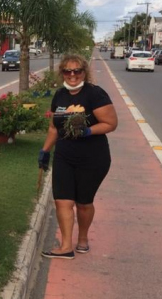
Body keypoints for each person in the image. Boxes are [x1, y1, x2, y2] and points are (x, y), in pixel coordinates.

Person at [39, 54, 118, 259]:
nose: (72, 75)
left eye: (77, 71)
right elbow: (53, 128)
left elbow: (111, 123)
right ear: (62, 73)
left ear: (84, 72)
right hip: (65, 156)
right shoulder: (59, 96)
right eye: (68, 71)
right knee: (63, 201)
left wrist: (88, 131)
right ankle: (66, 246)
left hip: (93, 158)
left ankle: (82, 238)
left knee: (84, 202)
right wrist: (45, 151)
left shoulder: (95, 94)